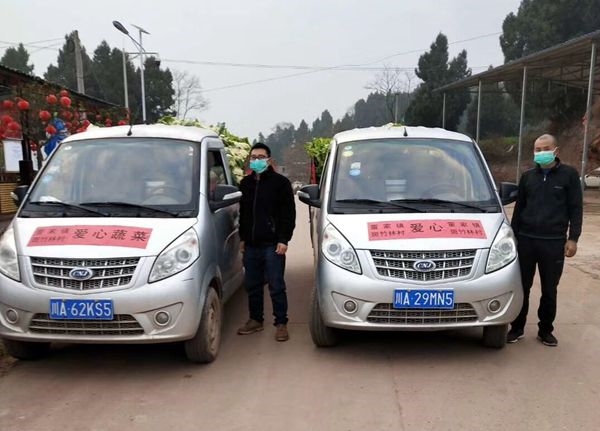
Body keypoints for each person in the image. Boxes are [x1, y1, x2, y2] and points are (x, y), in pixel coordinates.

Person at [507, 134, 583, 347]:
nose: (541, 153)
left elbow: (576, 209)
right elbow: (519, 209)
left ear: (556, 150)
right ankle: (517, 327)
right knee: (522, 286)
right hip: (526, 240)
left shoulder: (569, 175)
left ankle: (545, 330)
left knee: (550, 289)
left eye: (545, 148)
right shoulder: (528, 177)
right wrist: (513, 236)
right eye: (537, 149)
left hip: (553, 241)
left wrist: (573, 238)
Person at [237, 143, 296, 342]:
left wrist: (283, 239)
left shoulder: (280, 183)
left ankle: (281, 323)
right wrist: (243, 238)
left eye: (260, 157)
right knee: (252, 285)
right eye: (253, 157)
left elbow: (288, 214)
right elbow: (243, 214)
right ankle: (255, 319)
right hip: (251, 244)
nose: (256, 160)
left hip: (273, 244)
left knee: (276, 285)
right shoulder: (245, 184)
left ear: (269, 160)